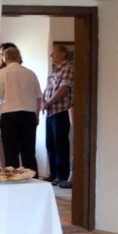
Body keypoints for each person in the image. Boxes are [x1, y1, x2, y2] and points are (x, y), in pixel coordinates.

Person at [0, 47, 41, 176]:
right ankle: (33, 180)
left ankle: (13, 182)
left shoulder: (2, 73)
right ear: (18, 57)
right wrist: (37, 115)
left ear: (4, 58)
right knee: (29, 152)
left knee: (11, 153)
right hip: (29, 115)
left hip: (9, 115)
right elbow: (38, 97)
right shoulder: (30, 73)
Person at [43, 44, 74, 187]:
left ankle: (62, 175)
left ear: (63, 53)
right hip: (50, 112)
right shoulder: (54, 71)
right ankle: (53, 174)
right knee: (50, 144)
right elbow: (47, 90)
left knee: (60, 144)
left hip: (61, 111)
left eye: (54, 53)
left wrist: (48, 102)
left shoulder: (68, 68)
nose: (51, 55)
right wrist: (43, 102)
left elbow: (64, 90)